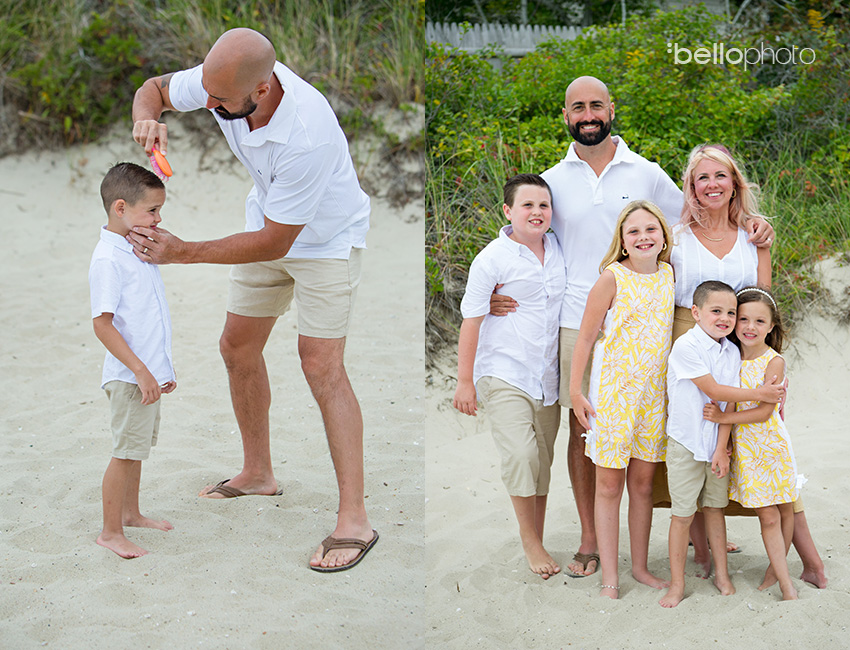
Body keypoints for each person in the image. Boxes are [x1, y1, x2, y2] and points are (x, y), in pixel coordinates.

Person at [491, 76, 775, 577]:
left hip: (644, 325)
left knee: (660, 429)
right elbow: (523, 225)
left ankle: (697, 524)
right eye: (577, 107)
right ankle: (589, 537)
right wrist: (496, 282)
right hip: (573, 319)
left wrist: (752, 223)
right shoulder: (554, 177)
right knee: (585, 432)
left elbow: (693, 216)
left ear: (611, 109)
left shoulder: (645, 172)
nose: (588, 114)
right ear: (565, 115)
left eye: (596, 105)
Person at [129, 28, 376, 572]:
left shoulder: (305, 133)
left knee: (321, 365)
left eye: (220, 102)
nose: (210, 106)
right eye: (208, 94)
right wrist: (146, 117)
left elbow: (275, 241)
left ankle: (354, 519)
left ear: (262, 89)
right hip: (267, 222)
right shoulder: (223, 81)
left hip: (324, 243)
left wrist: (182, 251)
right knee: (236, 347)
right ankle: (259, 473)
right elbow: (154, 88)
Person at [667, 144, 826, 588]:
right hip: (689, 343)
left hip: (743, 349)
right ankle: (704, 552)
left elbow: (763, 295)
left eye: (721, 176)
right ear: (691, 186)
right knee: (695, 448)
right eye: (703, 178)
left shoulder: (752, 234)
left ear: (735, 182)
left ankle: (809, 559)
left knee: (763, 447)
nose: (712, 185)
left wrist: (765, 365)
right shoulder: (675, 236)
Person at [453, 174, 566, 579]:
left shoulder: (557, 249)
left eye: (544, 206)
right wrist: (465, 380)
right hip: (503, 371)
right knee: (521, 456)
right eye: (527, 205)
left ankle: (537, 533)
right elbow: (471, 319)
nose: (537, 213)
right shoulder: (492, 259)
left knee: (542, 463)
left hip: (547, 376)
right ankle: (530, 540)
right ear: (508, 211)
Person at [570, 201, 674, 598]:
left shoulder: (668, 274)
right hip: (614, 396)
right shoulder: (611, 278)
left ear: (663, 237)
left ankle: (642, 568)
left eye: (651, 229)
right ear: (623, 241)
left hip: (653, 398)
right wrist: (576, 391)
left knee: (644, 485)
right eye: (634, 232)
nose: (644, 237)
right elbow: (585, 337)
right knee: (610, 486)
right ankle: (610, 577)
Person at [659, 281, 784, 608]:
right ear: (696, 313)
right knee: (683, 514)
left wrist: (721, 448)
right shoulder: (686, 346)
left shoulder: (730, 350)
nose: (725, 318)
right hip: (686, 443)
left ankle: (723, 575)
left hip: (715, 444)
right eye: (716, 311)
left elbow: (727, 407)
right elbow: (715, 390)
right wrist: (760, 394)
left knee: (715, 510)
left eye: (731, 312)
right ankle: (676, 584)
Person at [89, 162, 177, 559]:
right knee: (124, 452)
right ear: (120, 208)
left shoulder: (133, 247)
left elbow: (147, 315)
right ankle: (110, 532)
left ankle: (131, 513)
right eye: (152, 210)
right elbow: (103, 325)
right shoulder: (109, 259)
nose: (159, 218)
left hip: (146, 373)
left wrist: (161, 371)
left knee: (137, 448)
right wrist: (141, 371)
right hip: (129, 375)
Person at [704, 287, 800, 600]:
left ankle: (783, 581)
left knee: (783, 511)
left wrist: (721, 420)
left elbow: (763, 412)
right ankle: (780, 575)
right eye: (743, 319)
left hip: (770, 447)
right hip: (745, 451)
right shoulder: (729, 357)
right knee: (769, 515)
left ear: (771, 327)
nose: (749, 327)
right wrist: (722, 442)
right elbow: (729, 401)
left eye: (759, 321)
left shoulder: (774, 362)